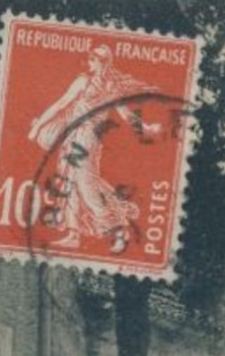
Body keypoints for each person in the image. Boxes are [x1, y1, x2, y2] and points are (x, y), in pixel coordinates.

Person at [28, 45, 164, 255]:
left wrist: (146, 128)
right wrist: (38, 126)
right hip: (72, 135)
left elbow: (126, 115)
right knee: (69, 181)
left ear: (103, 62)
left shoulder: (111, 89)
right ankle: (74, 234)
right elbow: (61, 104)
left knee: (86, 186)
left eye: (93, 58)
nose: (89, 62)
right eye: (89, 58)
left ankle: (118, 228)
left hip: (88, 139)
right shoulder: (83, 81)